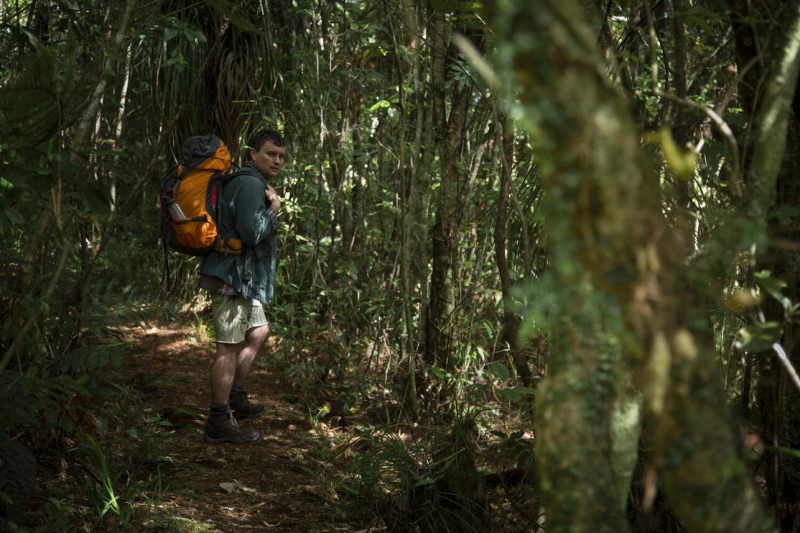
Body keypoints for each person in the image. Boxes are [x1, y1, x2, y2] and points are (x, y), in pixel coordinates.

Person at [199, 129, 286, 444]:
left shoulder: (251, 182)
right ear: (253, 153)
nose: (276, 161)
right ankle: (217, 422)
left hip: (243, 277)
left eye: (280, 156)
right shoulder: (250, 184)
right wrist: (274, 208)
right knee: (228, 346)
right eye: (270, 154)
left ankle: (236, 397)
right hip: (233, 277)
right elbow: (252, 233)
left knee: (259, 332)